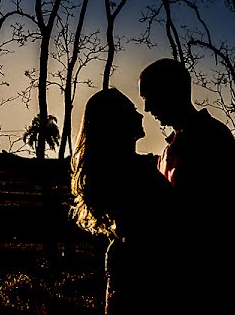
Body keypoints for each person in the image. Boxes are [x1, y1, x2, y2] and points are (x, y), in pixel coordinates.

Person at [139, 58, 235, 314]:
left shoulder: (212, 139)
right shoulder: (170, 147)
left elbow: (209, 216)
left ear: (173, 91)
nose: (147, 107)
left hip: (208, 284)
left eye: (150, 96)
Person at [71, 88, 178, 315]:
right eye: (133, 111)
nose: (141, 115)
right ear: (115, 123)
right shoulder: (129, 173)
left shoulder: (118, 170)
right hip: (142, 269)